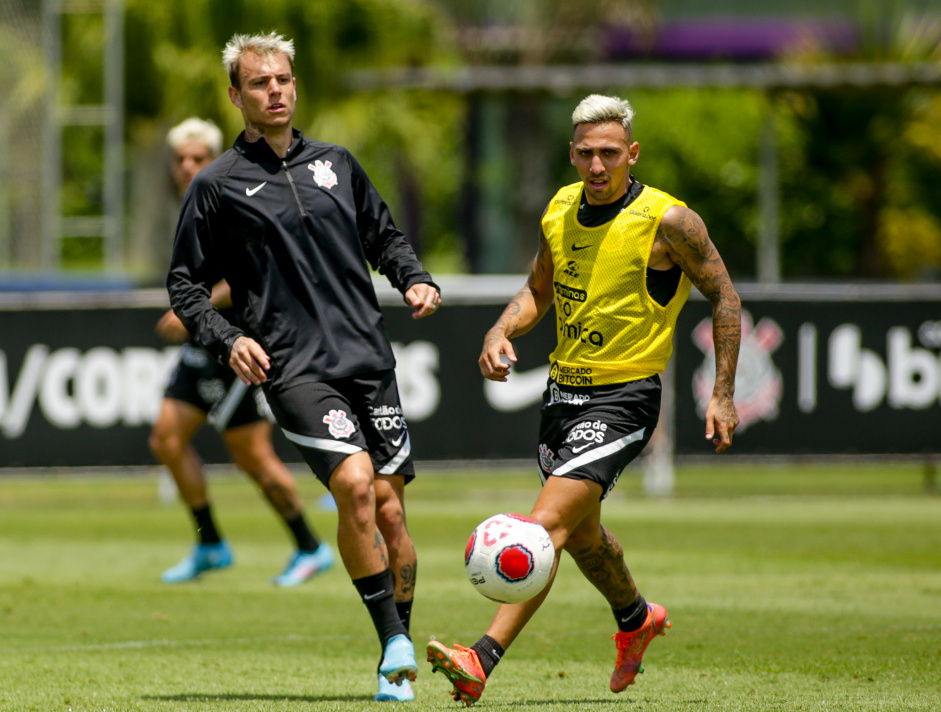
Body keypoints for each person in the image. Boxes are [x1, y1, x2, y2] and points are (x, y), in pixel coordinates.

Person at [426, 94, 741, 705]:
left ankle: (479, 658)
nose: (598, 166)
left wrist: (722, 393)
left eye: (610, 154)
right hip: (561, 395)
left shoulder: (670, 221)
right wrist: (498, 331)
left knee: (541, 530)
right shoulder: (560, 209)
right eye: (587, 154)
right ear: (572, 154)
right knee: (582, 538)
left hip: (625, 398)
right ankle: (636, 617)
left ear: (632, 154)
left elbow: (725, 297)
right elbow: (536, 291)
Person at [166, 33, 441, 703]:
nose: (276, 90)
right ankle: (393, 641)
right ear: (236, 95)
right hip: (292, 368)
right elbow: (185, 285)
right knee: (352, 487)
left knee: (391, 515)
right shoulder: (215, 185)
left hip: (368, 359)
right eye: (260, 83)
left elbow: (383, 236)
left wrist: (413, 279)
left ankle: (393, 655)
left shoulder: (337, 164)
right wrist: (228, 338)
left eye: (283, 79)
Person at [151, 117, 334, 588]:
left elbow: (250, 271)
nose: (187, 166)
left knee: (252, 457)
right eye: (180, 159)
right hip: (204, 343)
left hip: (241, 345)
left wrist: (193, 307)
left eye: (197, 158)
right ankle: (210, 543)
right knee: (167, 439)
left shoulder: (231, 196)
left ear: (214, 159)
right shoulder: (191, 201)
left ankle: (310, 547)